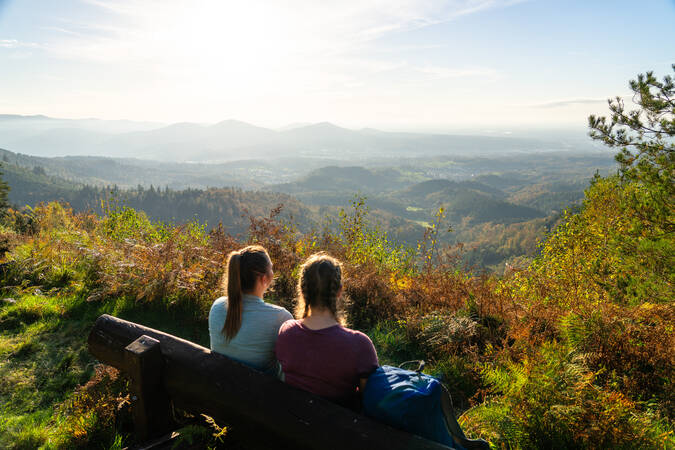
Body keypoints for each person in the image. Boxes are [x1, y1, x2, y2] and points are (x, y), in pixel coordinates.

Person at [276, 252, 379, 410]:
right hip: (337, 431)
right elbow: (371, 401)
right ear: (339, 291)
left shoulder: (286, 332)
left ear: (303, 291)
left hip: (290, 420)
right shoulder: (360, 345)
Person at [208, 245, 292, 374]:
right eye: (271, 268)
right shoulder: (280, 318)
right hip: (260, 393)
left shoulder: (217, 306)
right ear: (264, 279)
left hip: (219, 387)